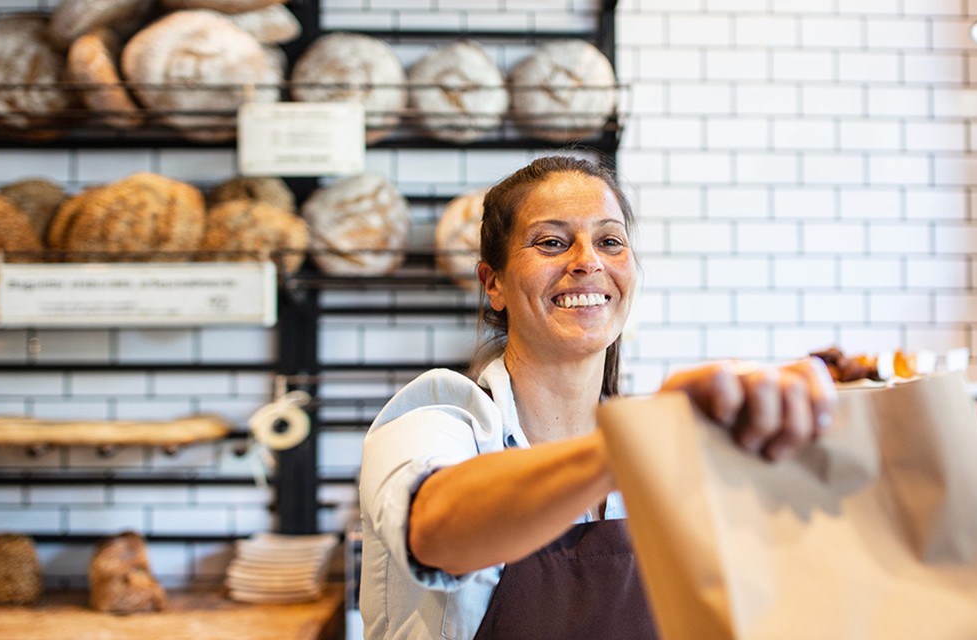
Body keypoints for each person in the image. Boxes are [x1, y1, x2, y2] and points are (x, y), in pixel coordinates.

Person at [357, 156, 836, 640]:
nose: (588, 261)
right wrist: (627, 444)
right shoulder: (438, 419)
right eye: (551, 242)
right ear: (493, 283)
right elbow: (435, 529)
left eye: (609, 241)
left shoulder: (665, 454)